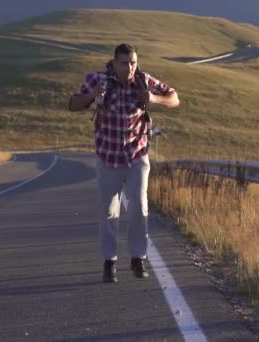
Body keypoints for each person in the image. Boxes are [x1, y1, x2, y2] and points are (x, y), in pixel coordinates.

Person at [69, 43, 180, 283]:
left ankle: (138, 258)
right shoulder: (100, 81)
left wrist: (153, 98)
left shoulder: (143, 80)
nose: (130, 67)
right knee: (109, 211)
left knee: (139, 207)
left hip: (136, 156)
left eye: (133, 62)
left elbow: (174, 98)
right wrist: (91, 96)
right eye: (124, 63)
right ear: (114, 63)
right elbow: (73, 104)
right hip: (108, 157)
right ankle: (110, 262)